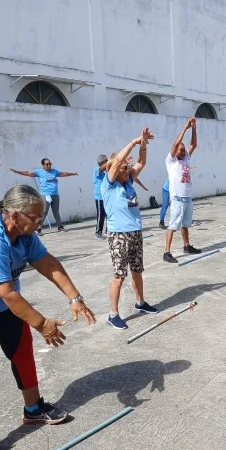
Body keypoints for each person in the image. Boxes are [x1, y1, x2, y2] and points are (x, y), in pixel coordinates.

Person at [0, 184, 97, 450]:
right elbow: (3, 290)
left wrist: (74, 298)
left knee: (23, 353)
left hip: (6, 304)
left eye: (42, 218)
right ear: (14, 215)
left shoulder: (25, 234)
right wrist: (42, 323)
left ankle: (33, 409)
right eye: (36, 218)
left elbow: (48, 263)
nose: (40, 223)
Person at [102, 128, 159, 329]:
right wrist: (134, 141)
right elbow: (117, 161)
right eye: (124, 168)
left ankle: (140, 303)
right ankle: (113, 314)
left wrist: (143, 145)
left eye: (127, 168)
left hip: (135, 232)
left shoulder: (128, 182)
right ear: (115, 170)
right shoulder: (108, 185)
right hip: (119, 235)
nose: (127, 170)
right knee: (120, 275)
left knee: (137, 270)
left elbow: (142, 161)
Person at [163, 117, 200, 263]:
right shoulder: (171, 161)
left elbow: (194, 144)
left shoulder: (186, 159)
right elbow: (176, 143)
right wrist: (186, 127)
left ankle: (187, 246)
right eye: (181, 150)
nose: (183, 151)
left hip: (187, 197)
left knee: (185, 224)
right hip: (177, 198)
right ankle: (166, 252)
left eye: (184, 150)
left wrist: (194, 128)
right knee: (173, 225)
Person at [10, 159, 78, 235]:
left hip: (55, 194)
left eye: (50, 164)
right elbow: (28, 173)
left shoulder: (54, 171)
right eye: (47, 164)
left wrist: (73, 173)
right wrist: (17, 171)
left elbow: (64, 173)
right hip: (46, 195)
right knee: (43, 212)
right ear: (43, 165)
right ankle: (39, 228)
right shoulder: (39, 172)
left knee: (56, 212)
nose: (49, 165)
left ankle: (60, 226)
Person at [93, 154, 108, 239]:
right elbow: (101, 169)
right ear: (102, 162)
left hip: (107, 196)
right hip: (99, 196)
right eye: (106, 161)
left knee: (109, 214)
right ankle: (98, 232)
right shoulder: (96, 169)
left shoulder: (107, 171)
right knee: (101, 214)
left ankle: (108, 231)